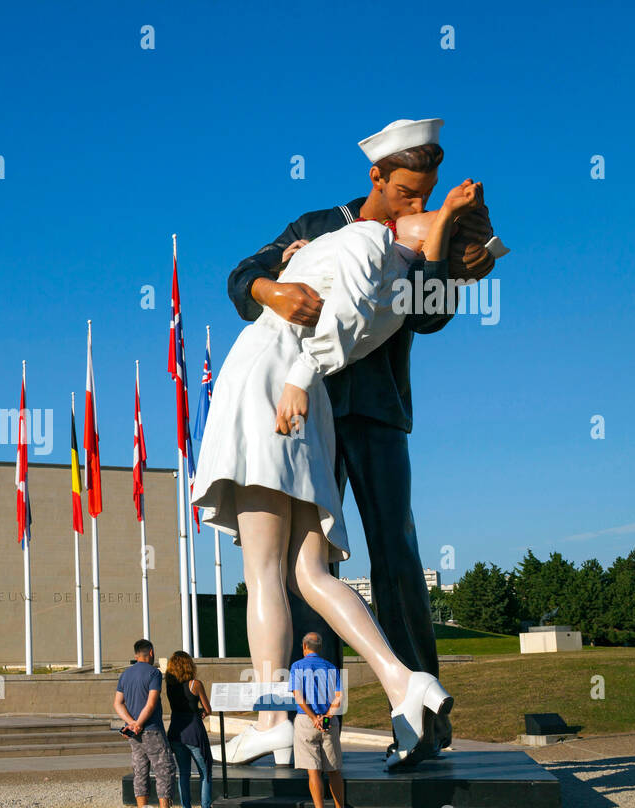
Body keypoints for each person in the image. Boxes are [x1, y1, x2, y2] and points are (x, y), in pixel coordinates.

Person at [194, 176, 500, 769]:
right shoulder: (319, 225)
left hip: (362, 410)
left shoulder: (410, 245)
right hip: (309, 412)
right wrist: (270, 288)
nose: (421, 202)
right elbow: (241, 279)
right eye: (412, 191)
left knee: (392, 556)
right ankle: (319, 724)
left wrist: (452, 259)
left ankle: (416, 720)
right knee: (309, 573)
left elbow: (427, 316)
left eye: (428, 193)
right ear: (378, 177)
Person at [114, 639, 187, 808]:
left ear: (136, 654)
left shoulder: (125, 674)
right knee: (165, 769)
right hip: (151, 729)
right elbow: (152, 702)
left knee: (140, 772)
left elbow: (118, 704)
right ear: (151, 653)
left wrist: (131, 724)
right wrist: (139, 723)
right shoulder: (154, 673)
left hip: (134, 733)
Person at [290, 633, 347, 808]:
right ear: (319, 647)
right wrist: (326, 717)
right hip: (329, 722)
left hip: (307, 721)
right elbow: (338, 697)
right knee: (334, 769)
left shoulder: (297, 666)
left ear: (305, 646)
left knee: (313, 771)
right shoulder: (331, 667)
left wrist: (314, 718)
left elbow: (298, 697)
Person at [165, 651, 228, 808]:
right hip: (193, 731)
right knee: (205, 772)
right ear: (189, 665)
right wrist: (200, 711)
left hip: (176, 731)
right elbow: (208, 709)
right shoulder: (195, 684)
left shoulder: (169, 685)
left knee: (183, 774)